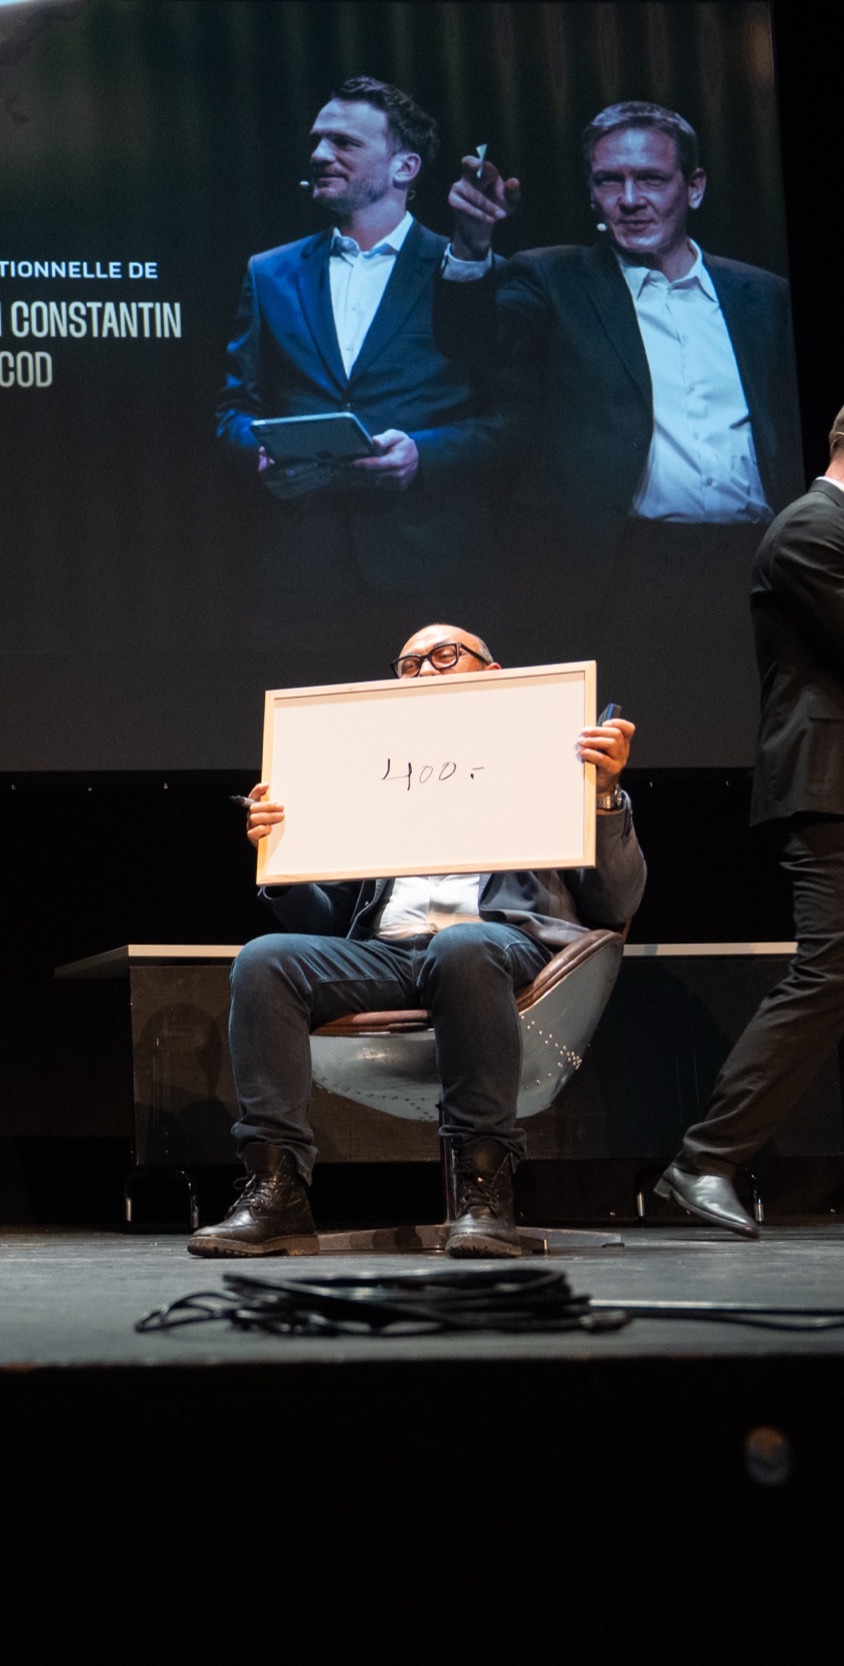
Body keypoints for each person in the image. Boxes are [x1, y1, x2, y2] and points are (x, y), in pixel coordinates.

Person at [191, 623, 644, 1259]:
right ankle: (277, 1190)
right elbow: (331, 919)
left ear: (492, 673)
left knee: (461, 947)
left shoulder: (549, 759)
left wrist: (604, 795)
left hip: (503, 949)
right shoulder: (379, 778)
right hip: (391, 955)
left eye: (443, 655)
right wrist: (284, 860)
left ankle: (484, 1190)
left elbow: (617, 903)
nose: (424, 670)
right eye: (408, 665)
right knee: (265, 961)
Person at [438, 101, 800, 752]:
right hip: (626, 573)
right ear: (591, 192)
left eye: (651, 179)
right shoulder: (552, 278)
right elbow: (471, 345)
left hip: (755, 570)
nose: (630, 200)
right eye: (610, 180)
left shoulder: (764, 295)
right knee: (631, 761)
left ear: (694, 186)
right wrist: (471, 244)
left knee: (757, 755)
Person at [216, 77, 505, 646]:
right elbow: (234, 410)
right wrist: (262, 453)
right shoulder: (269, 272)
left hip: (432, 575)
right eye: (317, 141)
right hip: (302, 577)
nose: (321, 155)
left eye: (344, 143)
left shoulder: (465, 269)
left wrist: (422, 454)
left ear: (405, 167)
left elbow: (510, 420)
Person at [652, 409, 844, 1237]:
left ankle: (710, 1158)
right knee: (832, 969)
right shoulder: (809, 528)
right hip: (829, 785)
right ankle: (706, 1159)